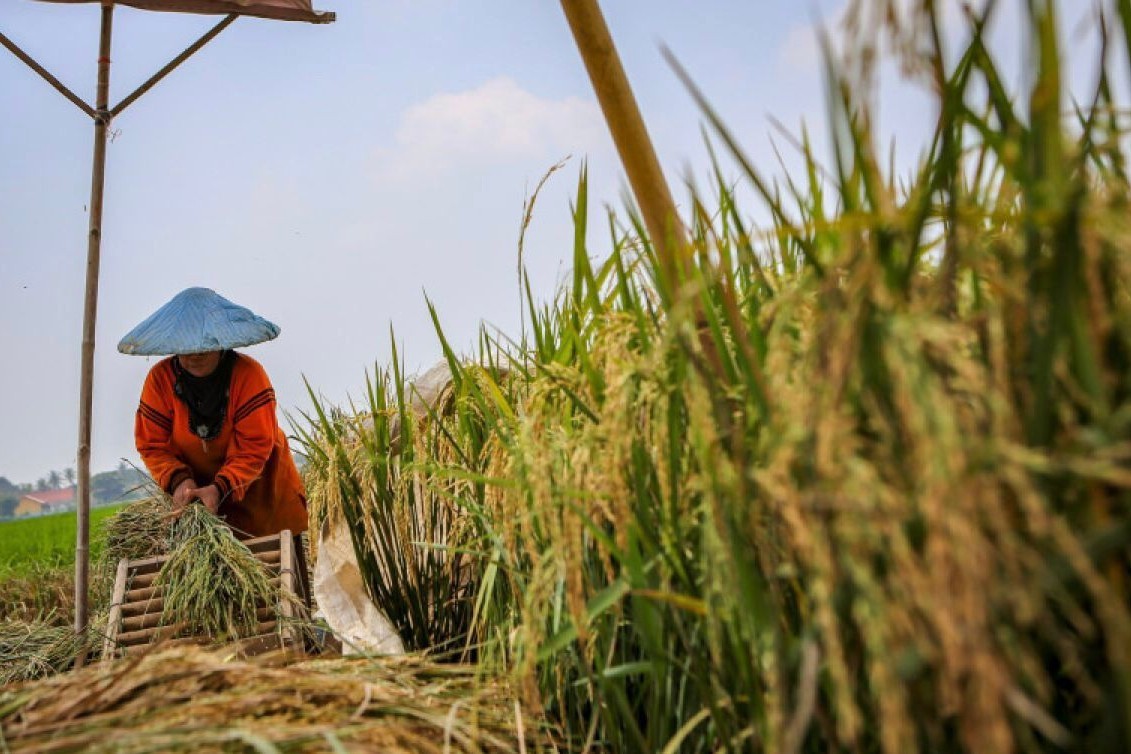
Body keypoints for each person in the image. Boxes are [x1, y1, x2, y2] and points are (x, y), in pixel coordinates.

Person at [120, 287, 307, 538]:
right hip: (201, 503)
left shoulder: (250, 376)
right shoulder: (160, 381)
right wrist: (180, 482)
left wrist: (220, 488)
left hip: (265, 496)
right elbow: (152, 444)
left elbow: (255, 447)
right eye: (187, 346)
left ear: (221, 341)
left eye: (204, 344)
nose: (196, 353)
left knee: (279, 570)